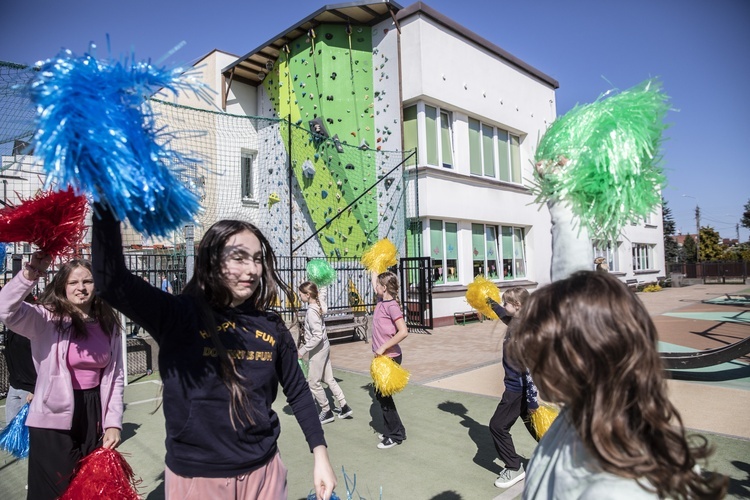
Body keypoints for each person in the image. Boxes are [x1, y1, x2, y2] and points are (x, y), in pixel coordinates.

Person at [91, 205, 337, 500]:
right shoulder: (179, 315)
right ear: (212, 262)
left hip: (266, 473)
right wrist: (106, 196)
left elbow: (297, 391)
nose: (252, 269)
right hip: (199, 479)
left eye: (257, 260)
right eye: (240, 258)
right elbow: (110, 281)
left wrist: (320, 453)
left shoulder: (272, 326)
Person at [506, 271, 728, 499]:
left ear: (582, 359)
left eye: (539, 351)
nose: (530, 359)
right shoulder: (584, 410)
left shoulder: (615, 490)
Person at [0, 256, 124, 500]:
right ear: (62, 287)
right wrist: (32, 272)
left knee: (89, 490)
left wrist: (113, 422)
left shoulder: (108, 322)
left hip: (93, 413)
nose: (81, 287)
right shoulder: (45, 318)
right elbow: (5, 308)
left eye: (88, 281)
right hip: (51, 417)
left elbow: (116, 375)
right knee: (57, 491)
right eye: (73, 282)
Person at [487, 287, 538, 489]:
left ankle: (514, 467)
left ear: (517, 306)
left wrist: (532, 400)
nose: (504, 305)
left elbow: (530, 370)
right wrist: (490, 302)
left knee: (497, 426)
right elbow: (504, 315)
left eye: (506, 302)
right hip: (519, 388)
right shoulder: (516, 321)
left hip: (517, 389)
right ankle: (558, 454)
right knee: (534, 427)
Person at [297, 281, 352, 424]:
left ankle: (326, 410)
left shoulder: (311, 312)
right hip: (325, 346)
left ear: (308, 295)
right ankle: (344, 405)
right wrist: (321, 282)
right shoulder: (319, 305)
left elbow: (317, 336)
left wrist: (302, 350)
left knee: (313, 382)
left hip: (318, 349)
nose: (299, 297)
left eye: (301, 294)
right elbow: (323, 293)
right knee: (329, 379)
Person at [370, 270, 408, 450]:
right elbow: (374, 279)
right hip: (382, 358)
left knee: (382, 397)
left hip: (390, 358)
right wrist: (375, 263)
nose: (375, 287)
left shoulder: (391, 306)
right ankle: (398, 429)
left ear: (384, 288)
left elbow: (403, 331)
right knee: (381, 396)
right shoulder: (381, 301)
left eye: (378, 285)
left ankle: (394, 435)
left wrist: (384, 347)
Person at [2, 294, 37, 424]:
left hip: (30, 388)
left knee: (27, 434)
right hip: (15, 385)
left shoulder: (34, 328)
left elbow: (45, 362)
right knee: (12, 432)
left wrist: (35, 389)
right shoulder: (13, 326)